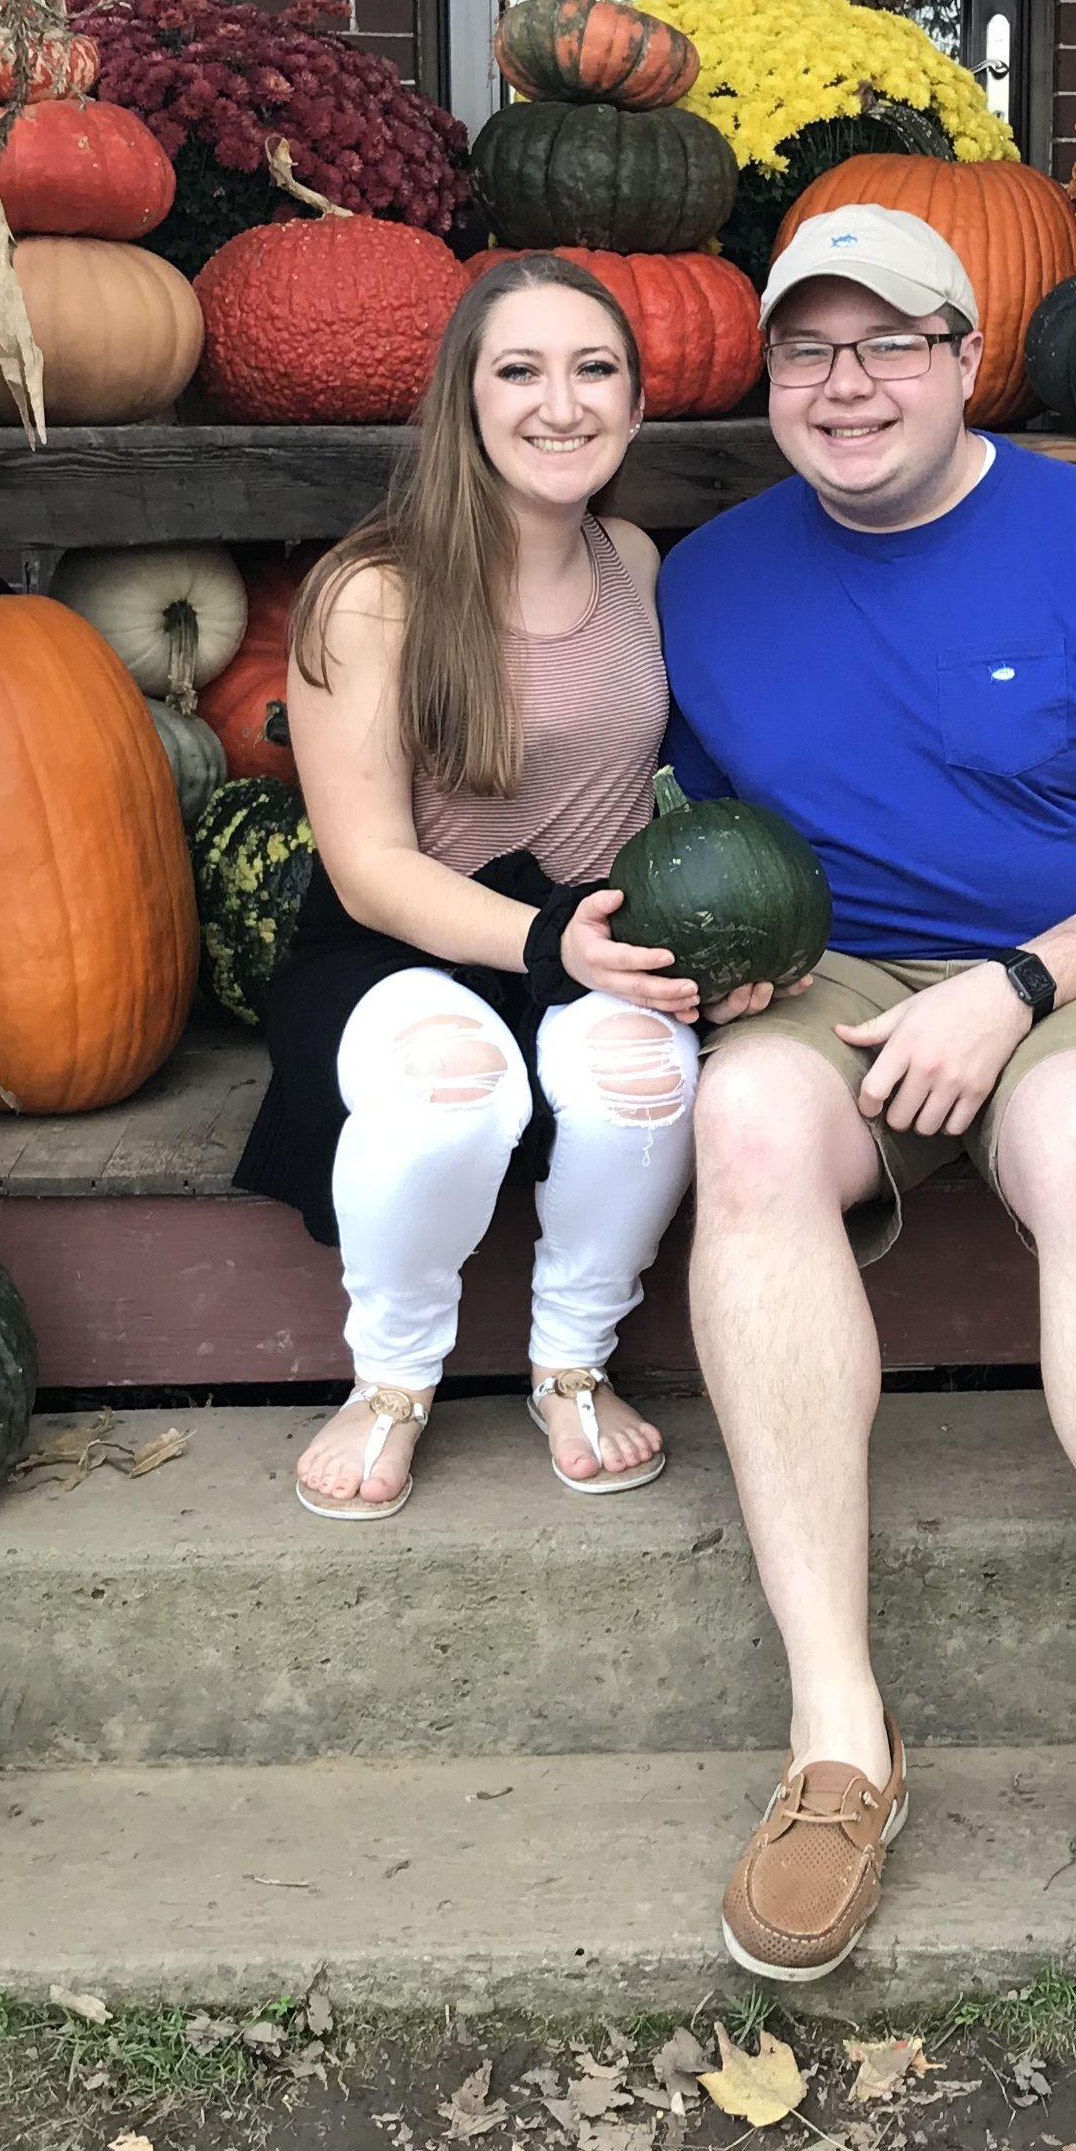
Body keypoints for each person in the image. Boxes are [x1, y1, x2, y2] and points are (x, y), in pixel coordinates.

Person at [655, 202, 1076, 1990]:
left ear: (960, 357)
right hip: (841, 985)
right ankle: (837, 1742)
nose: (844, 385)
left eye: (886, 345)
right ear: (770, 374)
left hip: (1075, 966)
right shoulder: (707, 581)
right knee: (749, 1124)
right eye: (806, 349)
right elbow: (677, 831)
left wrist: (1015, 985)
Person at [229, 257, 706, 1520]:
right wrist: (550, 942)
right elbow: (371, 865)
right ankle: (388, 1382)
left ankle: (573, 1360)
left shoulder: (636, 565)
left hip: (594, 929)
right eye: (521, 371)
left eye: (594, 369)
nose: (562, 404)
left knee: (647, 1079)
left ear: (636, 404)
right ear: (465, 400)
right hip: (407, 942)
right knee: (450, 1091)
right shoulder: (371, 593)